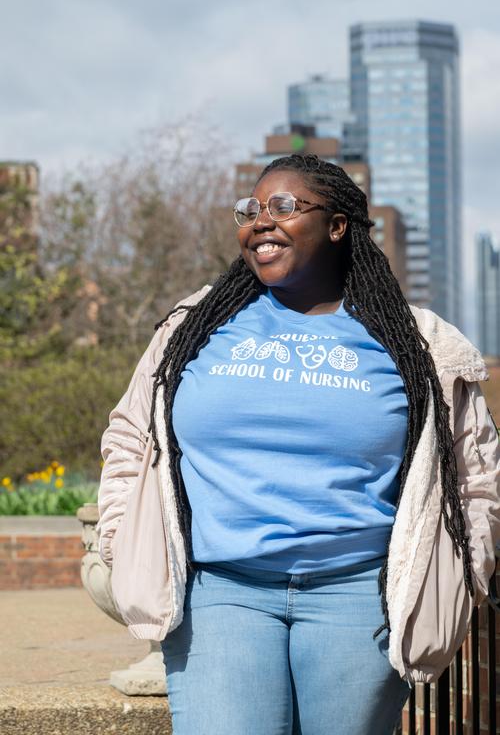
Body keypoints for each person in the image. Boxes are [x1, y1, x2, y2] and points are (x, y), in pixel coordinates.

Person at [96, 154, 500, 735]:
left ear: (337, 226)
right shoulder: (193, 326)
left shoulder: (420, 344)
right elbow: (131, 435)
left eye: (283, 206)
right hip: (220, 592)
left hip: (359, 597)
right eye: (250, 211)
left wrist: (465, 571)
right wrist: (119, 539)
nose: (260, 222)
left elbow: (474, 474)